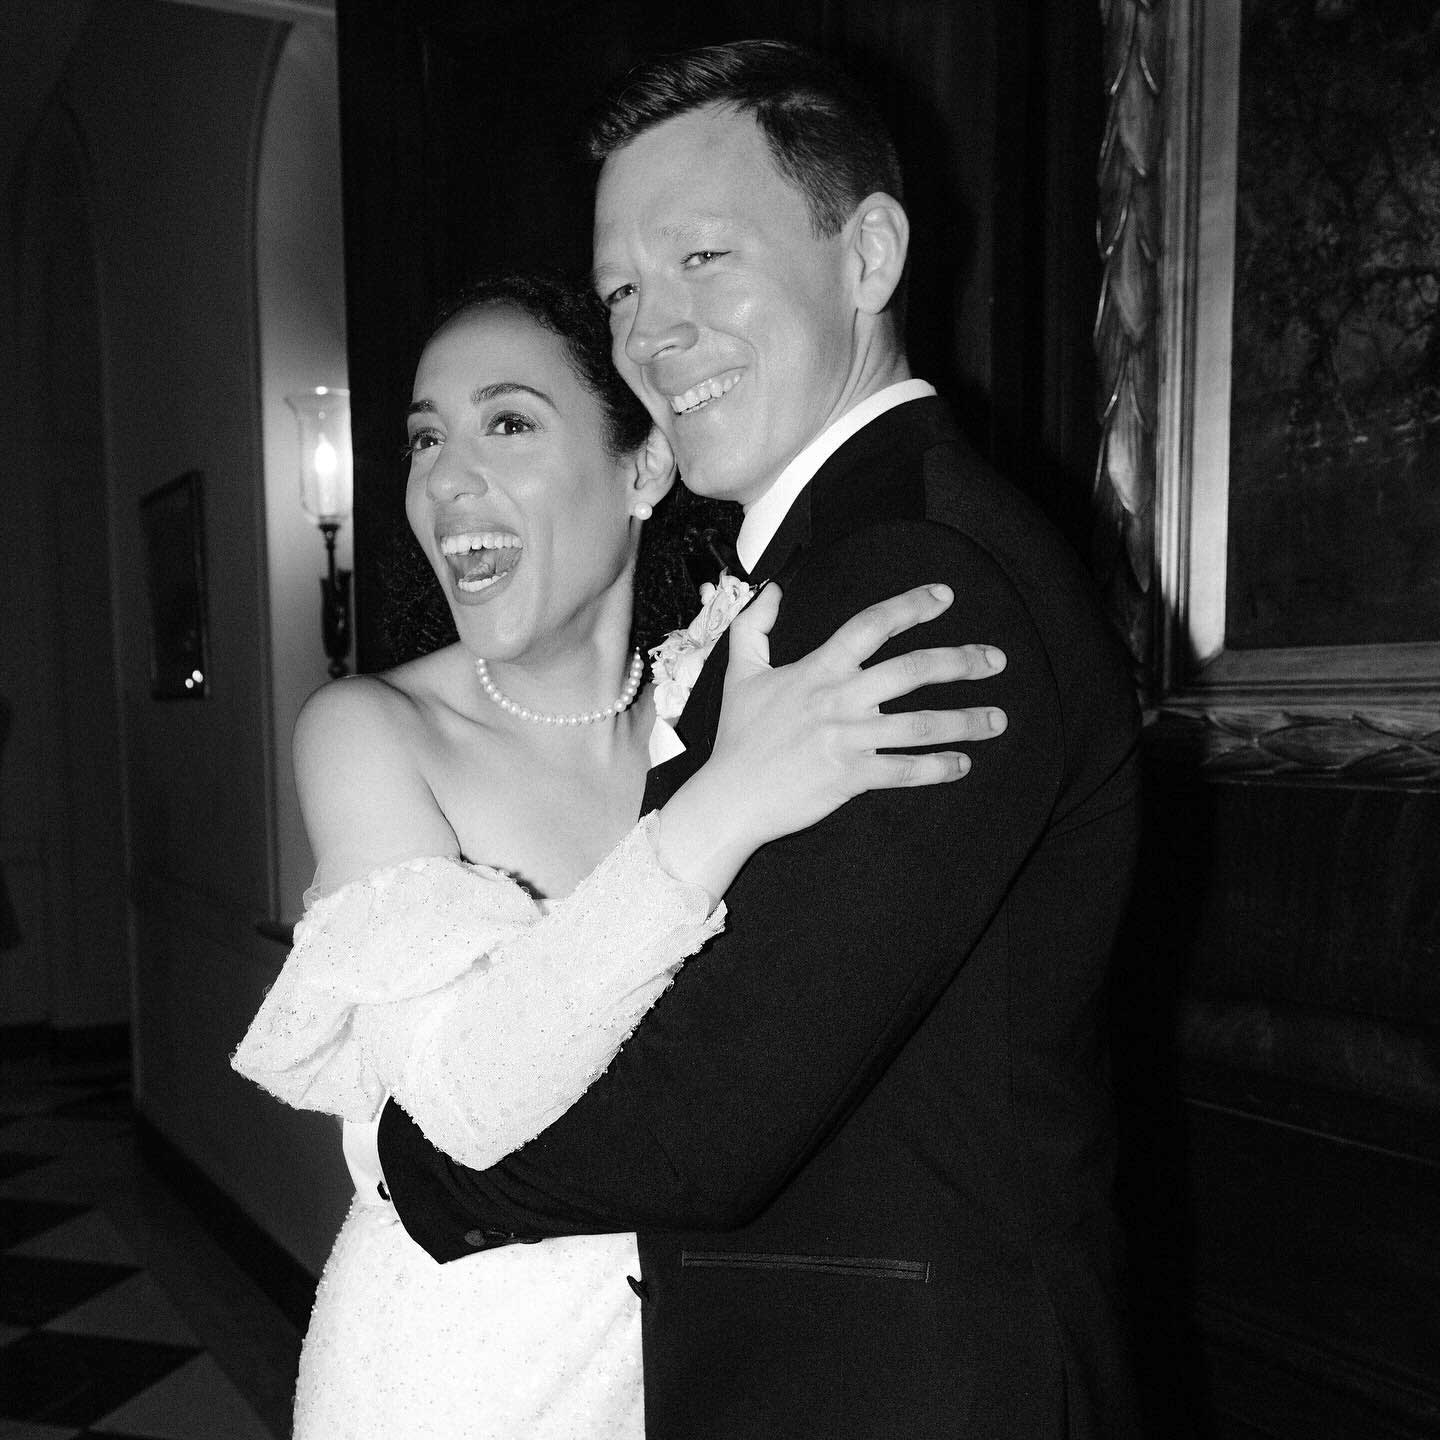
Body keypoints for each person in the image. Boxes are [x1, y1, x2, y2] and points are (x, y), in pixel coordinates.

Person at [377, 40, 1144, 1440]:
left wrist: (419, 1169)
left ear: (869, 256)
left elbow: (716, 1104)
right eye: (623, 289)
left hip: (908, 1392)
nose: (654, 333)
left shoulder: (916, 577)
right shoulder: (839, 559)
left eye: (703, 259)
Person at [232, 269, 1007, 1436]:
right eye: (426, 438)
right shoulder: (369, 732)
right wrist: (723, 809)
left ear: (643, 468)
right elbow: (460, 1106)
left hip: (694, 1378)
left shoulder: (718, 702)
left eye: (508, 423)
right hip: (448, 1386)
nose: (446, 479)